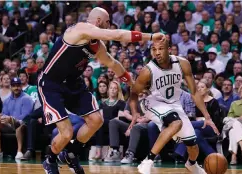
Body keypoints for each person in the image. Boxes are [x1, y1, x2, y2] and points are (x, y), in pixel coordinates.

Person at [39, 7, 165, 174]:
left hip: (73, 84)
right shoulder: (80, 29)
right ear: (98, 22)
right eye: (107, 23)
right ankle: (50, 159)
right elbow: (118, 35)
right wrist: (150, 37)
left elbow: (113, 64)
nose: (108, 26)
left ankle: (70, 153)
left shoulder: (97, 46)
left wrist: (132, 83)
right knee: (67, 132)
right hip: (52, 84)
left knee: (96, 120)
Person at [129, 39, 219, 174]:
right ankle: (148, 160)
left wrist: (207, 116)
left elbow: (194, 92)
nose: (157, 53)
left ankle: (191, 164)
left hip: (174, 105)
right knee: (176, 123)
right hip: (153, 102)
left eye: (160, 49)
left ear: (169, 49)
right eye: (154, 50)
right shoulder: (148, 71)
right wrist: (134, 112)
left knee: (193, 146)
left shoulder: (183, 64)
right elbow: (134, 93)